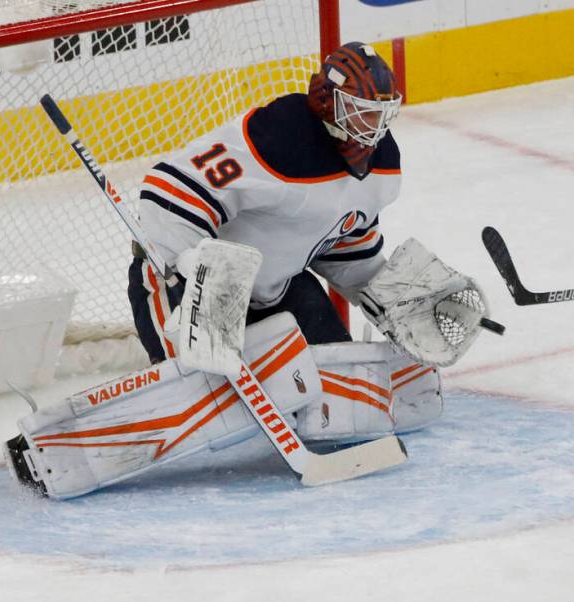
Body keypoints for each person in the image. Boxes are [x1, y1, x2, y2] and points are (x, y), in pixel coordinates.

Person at [128, 41, 403, 362]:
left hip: (276, 290)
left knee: (339, 377)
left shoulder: (382, 163)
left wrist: (400, 302)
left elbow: (345, 246)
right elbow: (168, 191)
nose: (375, 129)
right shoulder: (280, 135)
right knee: (209, 393)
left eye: (381, 115)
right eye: (364, 114)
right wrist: (194, 273)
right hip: (191, 283)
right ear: (329, 101)